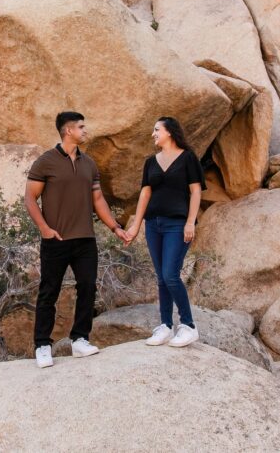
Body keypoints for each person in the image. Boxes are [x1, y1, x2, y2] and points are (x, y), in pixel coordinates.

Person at [24, 110, 129, 369]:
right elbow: (29, 198)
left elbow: (98, 200)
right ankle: (42, 345)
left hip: (85, 239)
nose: (85, 131)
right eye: (81, 127)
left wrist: (116, 227)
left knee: (87, 287)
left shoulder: (89, 163)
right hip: (56, 239)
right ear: (68, 130)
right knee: (49, 292)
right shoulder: (45, 162)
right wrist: (44, 229)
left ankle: (80, 339)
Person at [123, 116, 203, 348]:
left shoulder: (188, 158)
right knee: (161, 277)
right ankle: (166, 326)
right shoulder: (151, 162)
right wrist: (136, 226)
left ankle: (188, 326)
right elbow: (145, 195)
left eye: (157, 129)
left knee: (170, 274)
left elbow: (196, 192)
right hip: (153, 225)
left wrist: (190, 222)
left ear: (170, 132)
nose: (153, 134)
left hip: (177, 225)